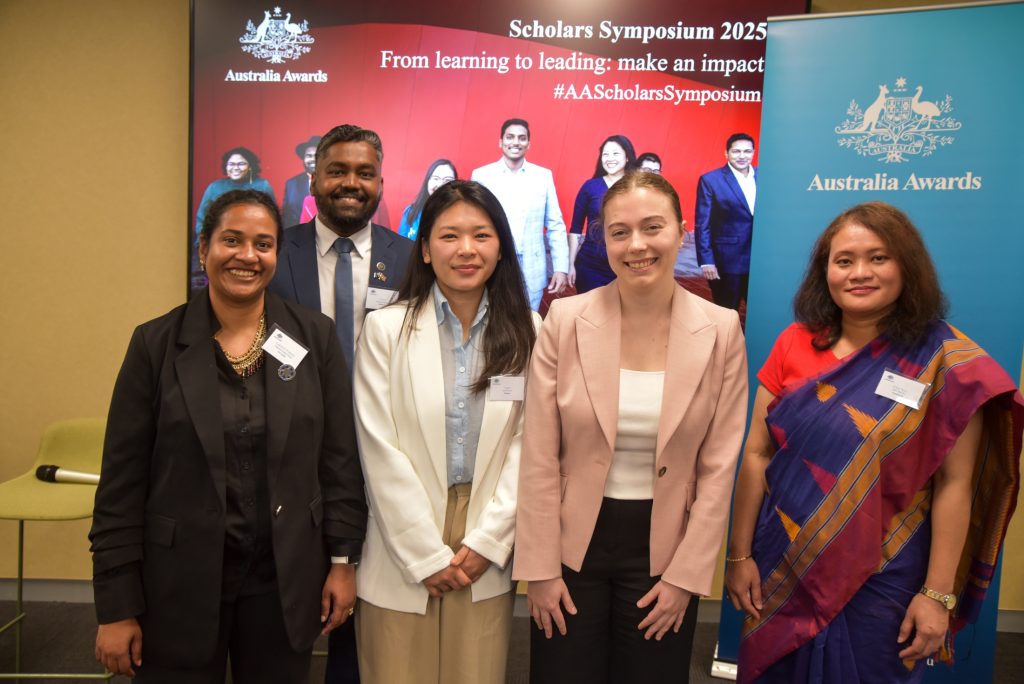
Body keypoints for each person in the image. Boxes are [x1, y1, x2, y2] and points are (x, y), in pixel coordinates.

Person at [724, 202, 1023, 683]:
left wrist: (937, 594)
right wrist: (739, 556)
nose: (859, 272)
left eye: (878, 257)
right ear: (826, 272)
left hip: (885, 575)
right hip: (785, 561)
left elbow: (955, 486)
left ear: (907, 265)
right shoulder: (794, 343)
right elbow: (758, 454)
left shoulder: (944, 361)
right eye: (844, 260)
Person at [90, 189, 367, 682]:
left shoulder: (314, 337)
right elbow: (120, 485)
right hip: (177, 585)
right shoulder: (155, 345)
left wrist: (344, 561)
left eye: (263, 244)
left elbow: (338, 460)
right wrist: (116, 606)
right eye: (231, 240)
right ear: (204, 249)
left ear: (276, 256)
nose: (247, 256)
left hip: (283, 582)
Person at [515, 171, 748, 683]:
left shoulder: (722, 329)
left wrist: (687, 578)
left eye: (652, 227)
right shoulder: (566, 320)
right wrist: (539, 568)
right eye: (619, 232)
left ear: (682, 231)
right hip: (571, 544)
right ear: (603, 239)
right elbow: (538, 452)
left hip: (664, 548)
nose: (636, 245)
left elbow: (719, 466)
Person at [353, 180, 540, 683]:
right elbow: (378, 447)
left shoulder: (529, 329)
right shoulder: (385, 329)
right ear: (426, 249)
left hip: (484, 537)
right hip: (401, 537)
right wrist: (422, 552)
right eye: (449, 236)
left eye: (481, 235)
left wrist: (487, 543)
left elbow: (531, 445)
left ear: (500, 248)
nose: (466, 250)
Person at [269, 124, 413, 684]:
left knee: (368, 600)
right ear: (315, 177)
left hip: (387, 449)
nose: (351, 183)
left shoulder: (411, 258)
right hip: (297, 452)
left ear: (380, 181)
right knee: (292, 604)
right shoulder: (277, 251)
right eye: (338, 171)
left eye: (364, 172)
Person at [472, 118, 568, 310]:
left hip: (532, 268)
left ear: (528, 144)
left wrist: (560, 268)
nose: (515, 142)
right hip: (494, 262)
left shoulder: (542, 176)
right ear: (501, 142)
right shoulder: (482, 176)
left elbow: (555, 224)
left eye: (522, 138)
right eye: (510, 137)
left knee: (528, 325)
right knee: (491, 321)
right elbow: (473, 222)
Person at [694, 133, 756, 313]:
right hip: (727, 262)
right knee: (726, 313)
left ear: (753, 153)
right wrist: (707, 261)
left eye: (747, 151)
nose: (742, 156)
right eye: (736, 151)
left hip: (759, 262)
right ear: (726, 153)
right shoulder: (711, 180)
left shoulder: (764, 177)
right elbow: (702, 224)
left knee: (759, 314)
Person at [568, 135, 637, 293]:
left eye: (615, 154)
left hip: (627, 264)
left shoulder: (638, 187)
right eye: (605, 154)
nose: (609, 159)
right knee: (592, 312)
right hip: (590, 264)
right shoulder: (590, 187)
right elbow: (575, 230)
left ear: (627, 157)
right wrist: (570, 264)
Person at [194, 147, 275, 243]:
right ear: (226, 167)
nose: (236, 168)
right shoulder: (214, 187)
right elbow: (201, 218)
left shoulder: (263, 185)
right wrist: (207, 242)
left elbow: (272, 219)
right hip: (219, 241)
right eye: (231, 164)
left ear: (250, 167)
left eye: (241, 164)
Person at [398, 159, 458, 241]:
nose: (440, 184)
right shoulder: (410, 212)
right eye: (436, 178)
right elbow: (400, 245)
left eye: (448, 180)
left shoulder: (461, 215)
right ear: (427, 181)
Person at [282, 135, 321, 228]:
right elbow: (287, 215)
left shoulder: (335, 182)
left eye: (317, 155)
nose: (312, 159)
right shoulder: (291, 184)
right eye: (308, 155)